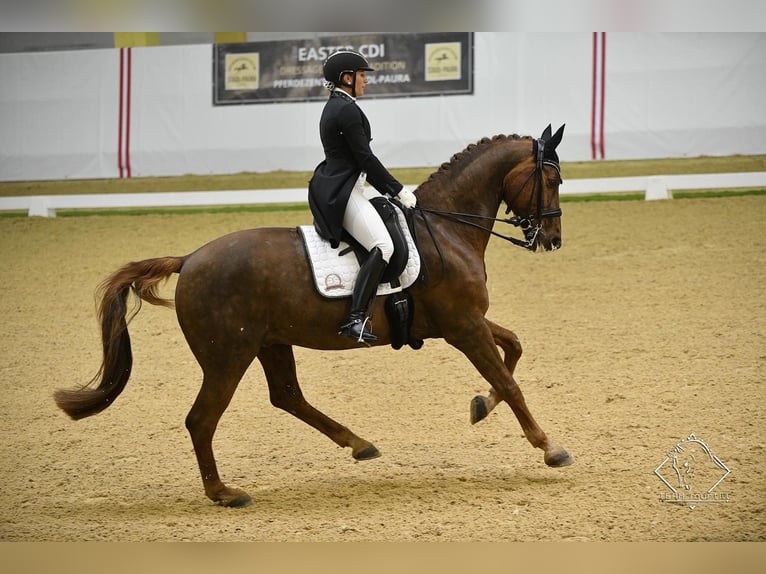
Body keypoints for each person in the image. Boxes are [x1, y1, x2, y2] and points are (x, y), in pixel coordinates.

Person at [308, 49, 417, 344]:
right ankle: (355, 318)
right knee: (383, 245)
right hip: (343, 191)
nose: (366, 81)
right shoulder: (346, 110)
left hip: (346, 185)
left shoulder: (339, 106)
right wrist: (397, 190)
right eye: (362, 75)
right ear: (347, 78)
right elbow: (365, 159)